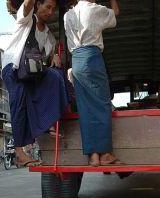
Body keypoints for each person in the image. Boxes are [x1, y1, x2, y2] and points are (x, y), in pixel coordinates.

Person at [2, 0, 71, 167]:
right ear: (37, 5)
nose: (50, 11)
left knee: (57, 76)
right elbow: (27, 4)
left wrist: (54, 56)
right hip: (14, 68)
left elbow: (46, 59)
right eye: (47, 6)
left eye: (53, 9)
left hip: (31, 73)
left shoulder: (49, 36)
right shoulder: (25, 19)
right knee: (19, 106)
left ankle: (48, 121)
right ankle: (19, 153)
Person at [64, 0, 123, 166]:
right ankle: (105, 154)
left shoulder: (68, 15)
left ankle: (93, 156)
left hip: (76, 61)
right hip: (92, 57)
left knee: (86, 108)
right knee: (102, 104)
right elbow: (115, 12)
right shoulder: (95, 9)